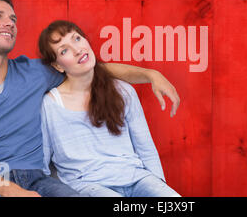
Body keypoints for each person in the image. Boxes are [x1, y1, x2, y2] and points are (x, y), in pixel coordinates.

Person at [0, 0, 180, 197]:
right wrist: (12, 191)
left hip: (39, 179)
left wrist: (150, 75)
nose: (9, 22)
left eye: (13, 18)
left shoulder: (34, 72)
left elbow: (89, 67)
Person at [38, 20, 180, 197]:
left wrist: (159, 187)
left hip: (136, 177)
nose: (77, 49)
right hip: (88, 185)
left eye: (77, 38)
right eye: (64, 50)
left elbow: (146, 149)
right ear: (58, 65)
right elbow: (42, 165)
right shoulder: (49, 105)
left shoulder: (123, 91)